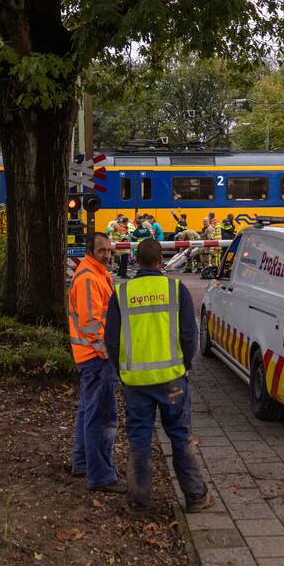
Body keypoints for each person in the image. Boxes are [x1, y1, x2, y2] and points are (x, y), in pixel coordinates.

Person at [103, 239, 214, 513]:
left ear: (136, 260)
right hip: (172, 380)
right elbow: (189, 334)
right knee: (180, 436)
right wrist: (186, 365)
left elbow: (112, 340)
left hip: (136, 382)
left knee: (139, 440)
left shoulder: (122, 293)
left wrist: (121, 371)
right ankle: (196, 497)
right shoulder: (176, 289)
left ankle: (139, 500)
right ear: (160, 261)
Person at [68, 232, 125, 494]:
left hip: (90, 356)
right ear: (90, 251)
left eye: (110, 250)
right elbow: (92, 326)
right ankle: (101, 476)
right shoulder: (90, 278)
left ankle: (83, 463)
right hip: (96, 358)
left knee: (89, 412)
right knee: (102, 417)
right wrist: (108, 354)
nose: (107, 255)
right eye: (102, 250)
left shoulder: (97, 274)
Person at [106, 213, 131, 278]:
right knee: (124, 259)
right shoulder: (121, 227)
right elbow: (123, 237)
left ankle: (120, 272)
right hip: (121, 244)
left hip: (116, 243)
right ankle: (123, 274)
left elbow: (109, 233)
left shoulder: (115, 225)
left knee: (121, 258)